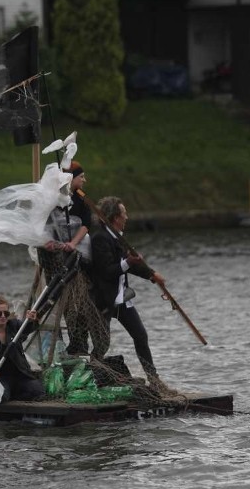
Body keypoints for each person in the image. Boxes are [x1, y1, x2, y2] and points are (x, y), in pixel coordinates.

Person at [90, 196, 172, 394]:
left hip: (122, 299)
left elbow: (133, 265)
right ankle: (90, 377)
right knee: (102, 344)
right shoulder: (100, 238)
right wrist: (128, 262)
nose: (127, 216)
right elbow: (108, 271)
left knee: (140, 336)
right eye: (124, 213)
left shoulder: (118, 237)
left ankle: (154, 379)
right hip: (105, 300)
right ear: (115, 217)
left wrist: (153, 276)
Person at [37, 162, 109, 359]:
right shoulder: (55, 199)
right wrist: (47, 242)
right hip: (57, 257)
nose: (84, 180)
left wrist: (72, 243)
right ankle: (73, 344)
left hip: (78, 253)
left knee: (83, 300)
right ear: (71, 178)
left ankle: (83, 343)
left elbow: (85, 225)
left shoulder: (80, 198)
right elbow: (43, 224)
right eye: (81, 177)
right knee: (66, 302)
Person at [0, 296, 45, 402]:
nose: (3, 316)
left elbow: (27, 329)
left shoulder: (14, 325)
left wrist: (31, 321)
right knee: (1, 397)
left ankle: (15, 394)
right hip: (0, 377)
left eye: (6, 313)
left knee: (38, 391)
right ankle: (8, 395)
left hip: (20, 374)